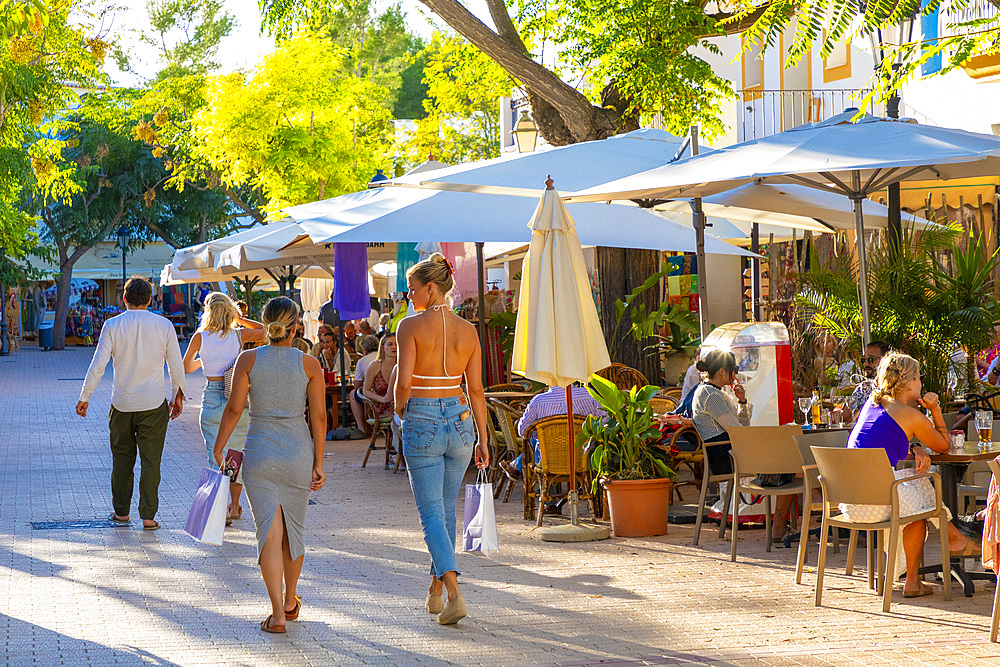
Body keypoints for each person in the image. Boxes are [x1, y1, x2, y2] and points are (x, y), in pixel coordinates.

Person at [213, 297, 327, 633]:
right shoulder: (309, 365)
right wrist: (319, 462)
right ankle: (291, 600)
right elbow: (318, 417)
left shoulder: (248, 359)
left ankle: (278, 614)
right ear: (295, 328)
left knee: (268, 532)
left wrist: (220, 449)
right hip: (297, 453)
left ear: (264, 325)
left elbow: (234, 410)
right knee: (293, 531)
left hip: (259, 453)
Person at [394, 252, 489, 626]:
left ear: (430, 288)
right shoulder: (469, 330)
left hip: (423, 415)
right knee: (445, 510)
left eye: (412, 288)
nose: (408, 294)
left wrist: (399, 412)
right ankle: (435, 590)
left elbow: (403, 382)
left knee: (431, 513)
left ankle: (454, 593)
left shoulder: (410, 326)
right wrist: (484, 438)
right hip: (462, 419)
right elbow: (477, 389)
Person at [847, 351, 979, 598]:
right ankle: (952, 540)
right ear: (909, 383)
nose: (921, 383)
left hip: (851, 500)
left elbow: (879, 442)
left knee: (914, 486)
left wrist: (913, 447)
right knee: (920, 488)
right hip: (875, 504)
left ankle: (927, 567)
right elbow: (943, 446)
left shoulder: (873, 404)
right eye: (919, 378)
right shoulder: (911, 416)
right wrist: (936, 409)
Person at [76, 277, 186, 530]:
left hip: (122, 403)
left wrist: (85, 396)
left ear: (124, 299)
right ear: (150, 299)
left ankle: (122, 513)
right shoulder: (164, 325)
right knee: (151, 462)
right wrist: (177, 395)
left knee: (122, 460)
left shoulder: (112, 326)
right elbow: (175, 364)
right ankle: (148, 517)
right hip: (154, 403)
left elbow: (98, 365)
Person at [691, 350, 797, 542]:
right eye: (734, 369)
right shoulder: (711, 395)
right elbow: (739, 432)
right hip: (729, 458)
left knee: (788, 459)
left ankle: (780, 524)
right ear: (723, 371)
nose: (736, 374)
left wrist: (742, 401)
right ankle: (779, 526)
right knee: (790, 461)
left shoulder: (710, 392)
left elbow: (741, 429)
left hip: (728, 454)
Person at [182, 292, 266, 524]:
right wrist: (239, 319)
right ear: (230, 311)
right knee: (235, 453)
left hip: (211, 396)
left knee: (214, 453)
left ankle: (222, 512)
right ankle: (236, 507)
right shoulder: (239, 335)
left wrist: (204, 361)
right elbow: (263, 330)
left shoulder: (200, 336)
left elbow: (186, 368)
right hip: (235, 396)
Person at [500, 385, 603, 482]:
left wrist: (540, 434)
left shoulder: (538, 401)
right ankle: (515, 465)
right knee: (537, 441)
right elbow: (605, 423)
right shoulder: (589, 395)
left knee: (538, 441)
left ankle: (547, 495)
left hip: (548, 461)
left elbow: (523, 431)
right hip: (584, 458)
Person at [363, 333, 397, 428]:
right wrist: (382, 399)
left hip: (401, 405)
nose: (394, 347)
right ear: (382, 347)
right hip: (382, 407)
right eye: (390, 344)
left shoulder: (402, 365)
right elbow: (366, 390)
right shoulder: (375, 366)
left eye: (397, 344)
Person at [350, 335, 380, 435]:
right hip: (385, 393)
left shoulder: (362, 360)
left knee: (353, 394)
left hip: (372, 396)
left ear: (365, 350)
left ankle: (361, 427)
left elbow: (357, 385)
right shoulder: (383, 356)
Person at [850, 340, 890, 409]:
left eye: (871, 359)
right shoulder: (863, 389)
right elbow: (845, 416)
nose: (865, 364)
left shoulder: (895, 389)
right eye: (863, 360)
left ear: (885, 360)